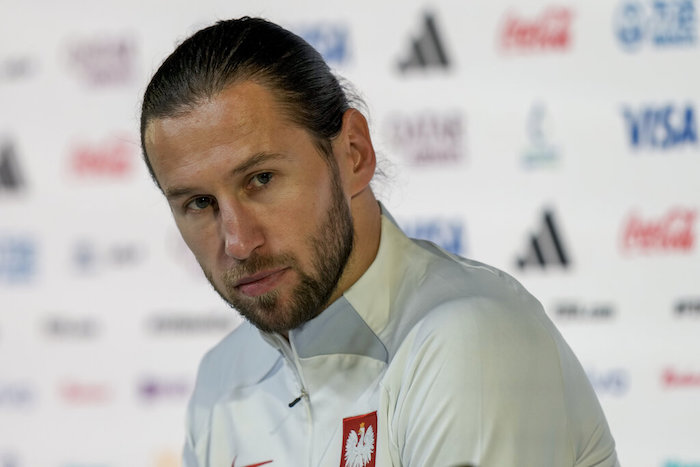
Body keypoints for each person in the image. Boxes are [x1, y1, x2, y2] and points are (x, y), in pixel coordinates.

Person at [140, 16, 619, 467]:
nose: (238, 241)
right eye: (199, 203)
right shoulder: (222, 378)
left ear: (353, 153)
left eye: (261, 179)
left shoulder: (467, 340)